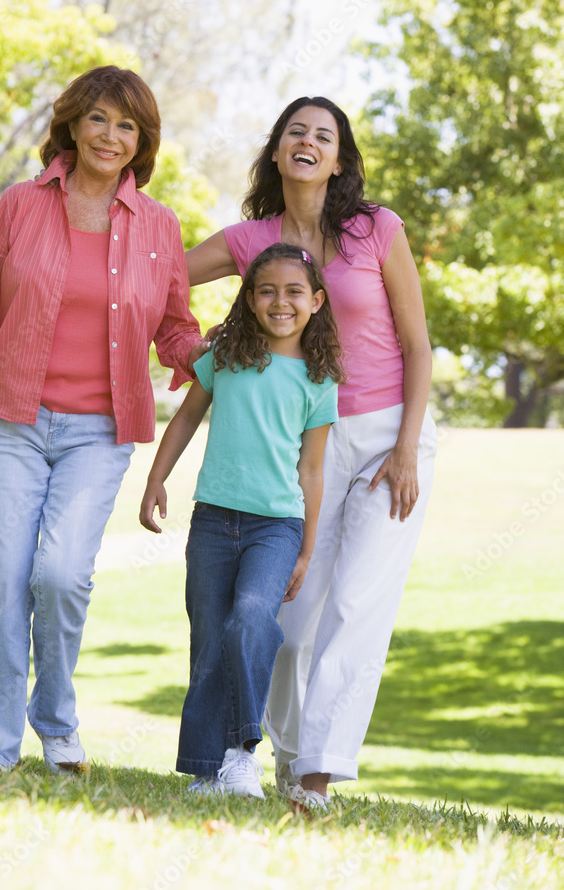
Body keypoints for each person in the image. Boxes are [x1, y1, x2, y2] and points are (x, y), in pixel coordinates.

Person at [0, 65, 204, 773]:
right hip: (11, 419)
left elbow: (174, 326)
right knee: (7, 581)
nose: (111, 136)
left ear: (141, 141)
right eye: (99, 119)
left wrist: (209, 358)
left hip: (98, 431)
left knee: (60, 576)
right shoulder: (21, 205)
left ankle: (55, 721)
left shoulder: (158, 227)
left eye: (127, 125)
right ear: (73, 125)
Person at [186, 96, 438, 809]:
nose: (307, 141)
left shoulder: (376, 230)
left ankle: (318, 775)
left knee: (358, 604)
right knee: (289, 619)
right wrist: (189, 341)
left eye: (322, 136)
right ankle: (288, 760)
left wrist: (409, 447)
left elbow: (418, 345)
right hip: (305, 447)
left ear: (338, 161)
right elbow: (159, 278)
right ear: (276, 151)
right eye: (295, 130)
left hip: (389, 436)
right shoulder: (249, 240)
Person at [139, 243, 343, 797]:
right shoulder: (225, 356)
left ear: (317, 301)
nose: (281, 302)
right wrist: (156, 479)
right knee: (208, 636)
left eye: (294, 291)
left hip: (275, 526)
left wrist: (305, 548)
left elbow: (313, 470)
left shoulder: (320, 381)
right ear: (250, 298)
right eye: (268, 290)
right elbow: (183, 421)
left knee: (252, 619)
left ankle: (240, 751)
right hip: (213, 520)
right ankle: (207, 770)